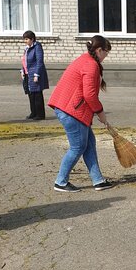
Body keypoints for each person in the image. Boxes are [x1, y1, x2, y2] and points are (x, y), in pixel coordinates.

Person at [48, 35, 114, 192]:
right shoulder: (91, 65)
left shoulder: (86, 60)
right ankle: (61, 181)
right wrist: (101, 114)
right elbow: (90, 95)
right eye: (106, 52)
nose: (106, 56)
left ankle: (98, 180)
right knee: (77, 147)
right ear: (99, 50)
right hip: (71, 110)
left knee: (89, 144)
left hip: (70, 108)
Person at [21, 30, 48, 120]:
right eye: (24, 39)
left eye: (27, 39)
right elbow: (24, 60)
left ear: (32, 39)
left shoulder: (37, 47)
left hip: (35, 73)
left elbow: (39, 61)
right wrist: (22, 70)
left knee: (37, 94)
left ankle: (40, 114)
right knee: (30, 94)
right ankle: (33, 112)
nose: (25, 41)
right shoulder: (27, 48)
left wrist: (37, 74)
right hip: (28, 73)